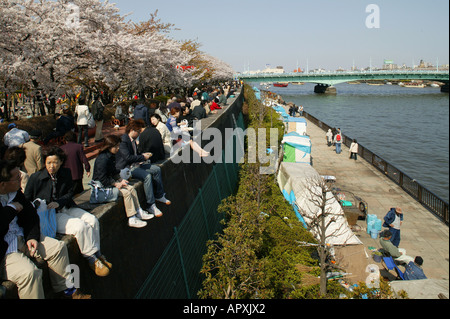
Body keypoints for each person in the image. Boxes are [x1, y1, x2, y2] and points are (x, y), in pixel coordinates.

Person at [0, 160, 86, 299]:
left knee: (58, 248)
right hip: (7, 250)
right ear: (3, 184)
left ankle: (68, 291)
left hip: (23, 237)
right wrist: (10, 209)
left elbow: (31, 216)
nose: (21, 179)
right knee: (30, 273)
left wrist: (32, 236)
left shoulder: (15, 194)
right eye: (16, 178)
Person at [24, 146, 111, 277]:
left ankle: (97, 253)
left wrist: (59, 202)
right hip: (50, 214)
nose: (52, 166)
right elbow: (27, 198)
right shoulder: (36, 177)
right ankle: (90, 258)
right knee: (80, 227)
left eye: (55, 162)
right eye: (49, 162)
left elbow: (70, 192)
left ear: (61, 162)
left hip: (65, 206)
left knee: (92, 220)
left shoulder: (65, 173)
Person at [91, 135, 154, 228]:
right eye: (116, 146)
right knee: (126, 193)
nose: (118, 148)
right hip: (102, 187)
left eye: (118, 146)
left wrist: (120, 180)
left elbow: (114, 172)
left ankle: (139, 211)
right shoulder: (102, 159)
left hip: (109, 182)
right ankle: (132, 217)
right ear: (109, 146)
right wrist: (116, 183)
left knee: (131, 188)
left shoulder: (111, 156)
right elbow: (102, 178)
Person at [115, 119, 171, 217]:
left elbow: (135, 154)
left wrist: (143, 155)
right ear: (132, 130)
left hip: (136, 164)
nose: (139, 134)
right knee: (147, 176)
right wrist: (143, 157)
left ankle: (159, 195)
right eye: (138, 131)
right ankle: (151, 204)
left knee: (156, 169)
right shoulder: (124, 140)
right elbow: (127, 158)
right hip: (127, 168)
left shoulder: (132, 140)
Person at [60, 131, 91, 196]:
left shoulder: (61, 148)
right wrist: (87, 169)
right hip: (77, 173)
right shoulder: (78, 147)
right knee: (79, 190)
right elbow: (84, 158)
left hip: (65, 174)